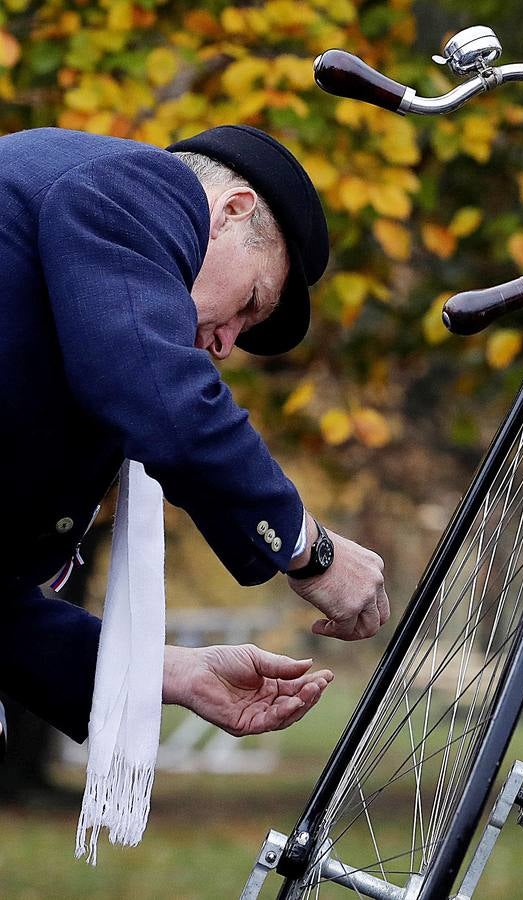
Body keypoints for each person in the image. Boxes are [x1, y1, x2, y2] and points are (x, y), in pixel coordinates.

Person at [0, 124, 391, 744]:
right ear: (233, 211)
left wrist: (175, 672)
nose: (225, 343)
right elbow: (165, 404)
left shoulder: (88, 319)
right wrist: (307, 548)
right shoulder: (147, 189)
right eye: (249, 303)